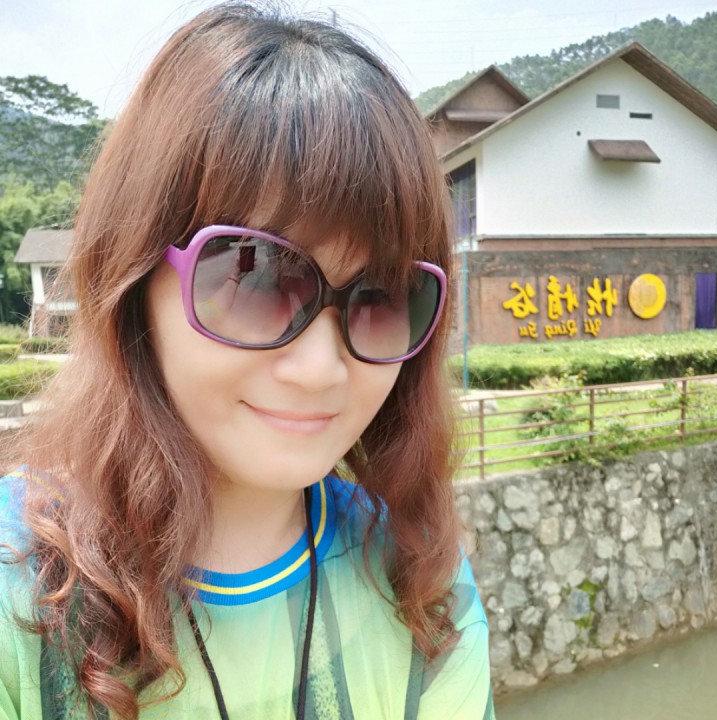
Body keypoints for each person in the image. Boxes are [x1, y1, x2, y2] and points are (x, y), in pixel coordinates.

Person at [0, 3, 494, 718]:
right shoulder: (17, 591)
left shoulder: (419, 582)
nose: (321, 369)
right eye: (257, 276)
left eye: (384, 296)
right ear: (134, 275)